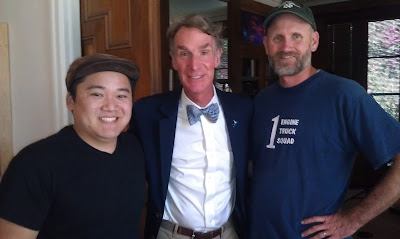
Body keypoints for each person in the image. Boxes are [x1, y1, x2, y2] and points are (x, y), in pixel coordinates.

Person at [249, 1, 400, 239]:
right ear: (266, 45)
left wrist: (354, 219)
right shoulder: (262, 100)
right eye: (277, 37)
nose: (286, 46)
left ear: (314, 41)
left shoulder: (345, 95)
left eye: (297, 36)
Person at [130, 14, 253, 239]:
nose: (194, 65)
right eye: (184, 53)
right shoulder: (146, 113)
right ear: (173, 59)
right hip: (171, 234)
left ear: (217, 57)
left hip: (230, 233)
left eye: (204, 52)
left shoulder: (244, 110)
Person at [0, 54, 145, 239]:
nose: (110, 106)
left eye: (121, 95)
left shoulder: (134, 149)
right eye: (97, 94)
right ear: (71, 101)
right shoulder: (34, 164)